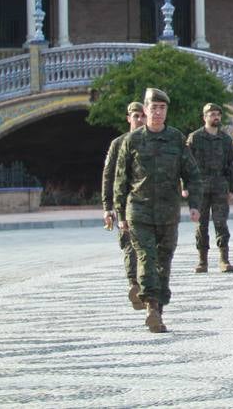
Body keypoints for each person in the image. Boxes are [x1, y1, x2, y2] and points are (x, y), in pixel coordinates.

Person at [113, 87, 202, 334]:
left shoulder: (175, 138)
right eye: (153, 107)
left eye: (162, 108)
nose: (158, 112)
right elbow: (121, 180)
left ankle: (158, 309)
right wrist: (120, 214)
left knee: (164, 261)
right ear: (145, 109)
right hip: (139, 211)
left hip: (168, 212)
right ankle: (151, 305)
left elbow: (192, 175)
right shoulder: (132, 141)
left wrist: (194, 204)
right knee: (147, 259)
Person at [101, 101, 146, 310]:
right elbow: (108, 176)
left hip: (147, 203)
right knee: (129, 246)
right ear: (129, 118)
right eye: (136, 116)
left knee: (148, 248)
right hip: (125, 204)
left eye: (142, 115)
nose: (140, 119)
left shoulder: (152, 141)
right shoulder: (117, 144)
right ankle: (134, 284)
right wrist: (107, 207)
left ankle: (146, 285)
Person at [186, 102, 233, 273]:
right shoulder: (195, 138)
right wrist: (186, 186)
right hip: (200, 187)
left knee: (221, 223)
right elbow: (186, 164)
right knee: (201, 225)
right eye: (211, 114)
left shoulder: (226, 139)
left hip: (220, 186)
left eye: (217, 114)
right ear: (204, 117)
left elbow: (231, 165)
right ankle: (202, 260)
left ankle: (224, 259)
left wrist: (231, 189)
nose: (215, 117)